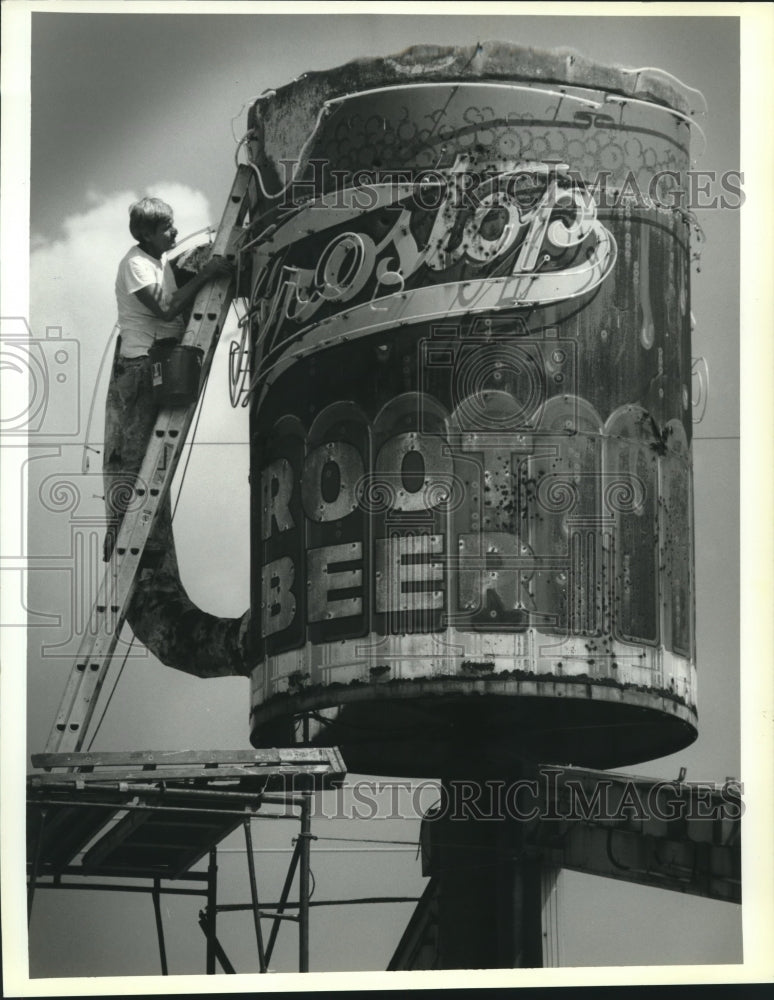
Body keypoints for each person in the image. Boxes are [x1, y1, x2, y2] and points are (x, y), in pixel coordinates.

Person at [103, 197, 232, 560]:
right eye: (166, 228)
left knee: (153, 459)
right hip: (141, 367)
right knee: (137, 458)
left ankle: (145, 541)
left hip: (157, 363)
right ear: (146, 234)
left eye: (173, 224)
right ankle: (120, 532)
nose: (174, 232)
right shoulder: (136, 265)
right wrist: (207, 273)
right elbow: (166, 308)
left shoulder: (158, 263)